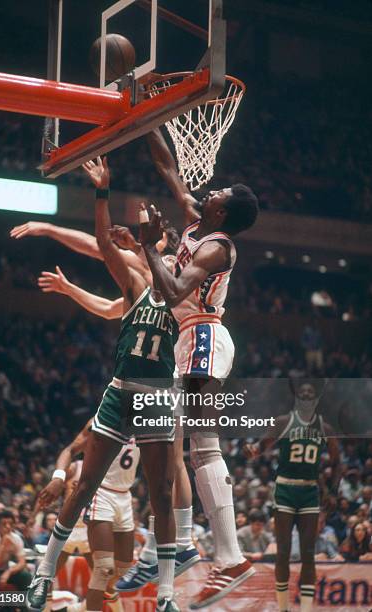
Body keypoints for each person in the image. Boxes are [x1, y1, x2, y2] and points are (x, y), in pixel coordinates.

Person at [26, 157, 179, 612]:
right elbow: (102, 246)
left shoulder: (184, 291)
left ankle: (167, 594)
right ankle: (43, 573)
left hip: (157, 398)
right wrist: (102, 193)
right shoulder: (133, 285)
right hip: (120, 392)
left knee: (163, 496)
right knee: (85, 482)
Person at [136, 128, 259, 609]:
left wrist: (150, 247)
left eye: (219, 194)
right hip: (188, 340)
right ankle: (207, 551)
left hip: (205, 335)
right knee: (182, 448)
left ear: (222, 212)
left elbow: (171, 292)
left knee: (203, 448)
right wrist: (146, 116)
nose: (210, 191)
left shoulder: (216, 247)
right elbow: (168, 165)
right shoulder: (193, 219)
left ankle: (227, 558)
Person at [244, 381, 341, 612]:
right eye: (302, 392)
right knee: (284, 551)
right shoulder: (284, 422)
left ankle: (305, 609)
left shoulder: (325, 428)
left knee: (308, 553)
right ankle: (283, 608)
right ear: (297, 399)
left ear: (315, 399)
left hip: (309, 491)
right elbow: (261, 446)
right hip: (286, 489)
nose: (306, 394)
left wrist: (333, 491)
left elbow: (338, 464)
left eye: (311, 392)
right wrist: (252, 451)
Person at [37, 418, 139, 612]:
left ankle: (74, 609)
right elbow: (70, 450)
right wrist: (58, 478)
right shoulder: (99, 422)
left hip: (124, 496)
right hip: (97, 499)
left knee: (122, 571)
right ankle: (46, 604)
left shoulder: (145, 419)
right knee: (102, 570)